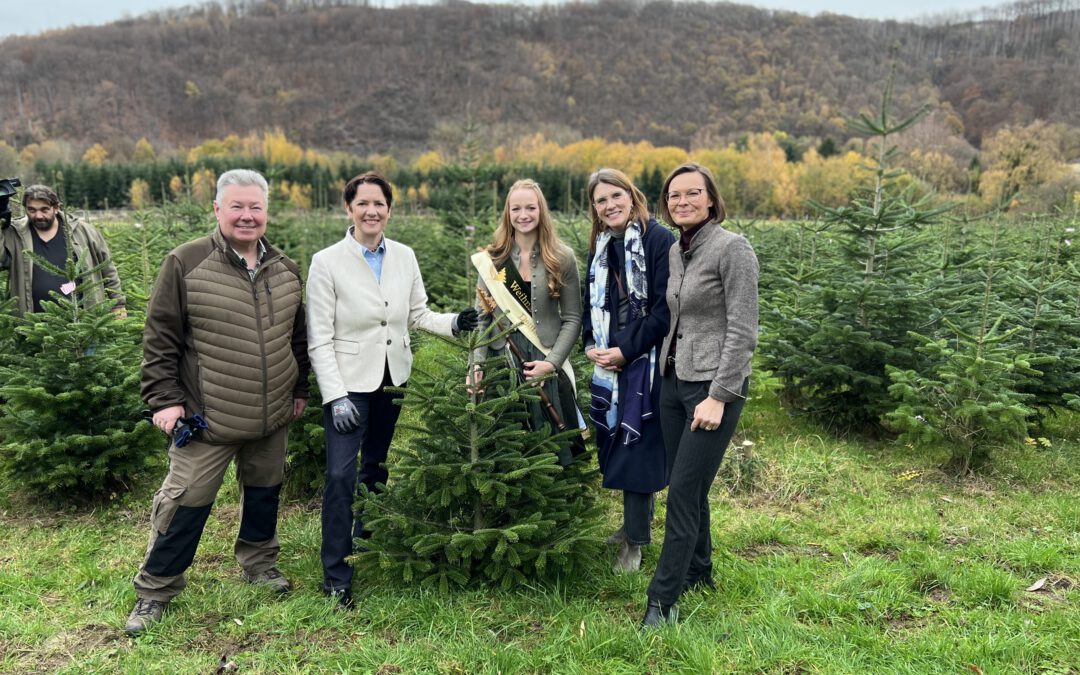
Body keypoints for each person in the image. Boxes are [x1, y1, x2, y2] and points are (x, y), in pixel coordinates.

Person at [126, 169, 310, 634]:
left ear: (267, 212)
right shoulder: (185, 262)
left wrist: (299, 389)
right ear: (218, 210)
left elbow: (298, 338)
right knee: (185, 501)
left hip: (271, 414)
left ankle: (259, 564)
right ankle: (156, 588)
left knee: (264, 491)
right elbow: (160, 338)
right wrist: (164, 400)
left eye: (255, 207)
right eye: (237, 207)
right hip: (207, 418)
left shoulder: (285, 268)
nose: (247, 216)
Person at [306, 171, 479, 610]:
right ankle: (336, 574)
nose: (371, 211)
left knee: (376, 466)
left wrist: (454, 323)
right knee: (341, 476)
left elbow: (417, 316)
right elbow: (318, 338)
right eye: (362, 203)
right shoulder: (327, 262)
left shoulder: (404, 256)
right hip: (348, 384)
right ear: (349, 209)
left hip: (391, 379)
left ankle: (367, 537)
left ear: (389, 209)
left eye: (379, 204)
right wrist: (335, 395)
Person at [641, 162, 758, 628]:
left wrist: (721, 394)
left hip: (713, 389)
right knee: (688, 483)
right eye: (673, 196)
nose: (682, 202)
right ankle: (699, 570)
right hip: (673, 384)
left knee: (684, 493)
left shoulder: (733, 249)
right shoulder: (677, 251)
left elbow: (743, 329)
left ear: (711, 199)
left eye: (692, 193)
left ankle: (662, 600)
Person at [581, 168, 674, 573]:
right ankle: (631, 525)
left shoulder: (658, 240)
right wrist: (591, 344)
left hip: (646, 365)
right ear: (596, 210)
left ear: (631, 195)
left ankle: (635, 544)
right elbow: (591, 303)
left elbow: (662, 311)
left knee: (637, 449)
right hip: (609, 363)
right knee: (615, 442)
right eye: (601, 200)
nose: (609, 205)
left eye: (615, 195)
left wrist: (624, 350)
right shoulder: (601, 246)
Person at [469, 179, 583, 465]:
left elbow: (572, 319)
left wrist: (552, 363)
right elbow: (482, 320)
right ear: (507, 213)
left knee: (552, 450)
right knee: (506, 450)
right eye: (516, 208)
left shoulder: (562, 257)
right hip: (502, 361)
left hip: (543, 359)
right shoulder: (492, 260)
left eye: (530, 207)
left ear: (541, 210)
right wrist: (476, 365)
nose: (523, 215)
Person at [0, 184, 125, 316]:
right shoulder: (16, 234)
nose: (38, 216)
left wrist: (118, 304)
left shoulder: (83, 231)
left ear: (56, 208)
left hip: (83, 321)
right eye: (32, 210)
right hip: (33, 325)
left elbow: (108, 268)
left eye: (44, 210)